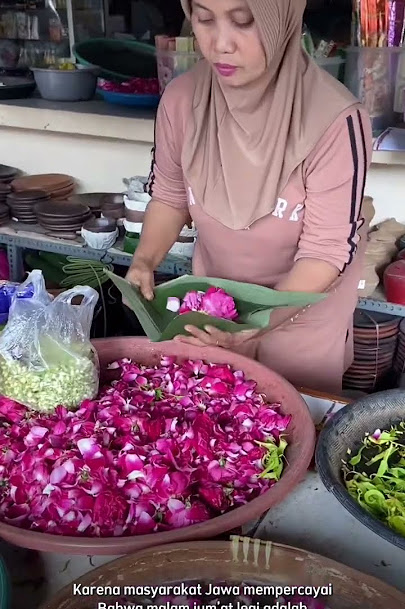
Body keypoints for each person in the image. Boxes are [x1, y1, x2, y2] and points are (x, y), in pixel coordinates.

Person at [125, 0, 373, 394]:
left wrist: (254, 328)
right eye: (204, 19)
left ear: (280, 23)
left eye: (244, 22)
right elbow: (170, 196)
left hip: (301, 317)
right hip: (214, 310)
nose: (220, 43)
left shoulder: (335, 120)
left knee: (290, 430)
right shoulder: (182, 100)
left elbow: (325, 253)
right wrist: (145, 259)